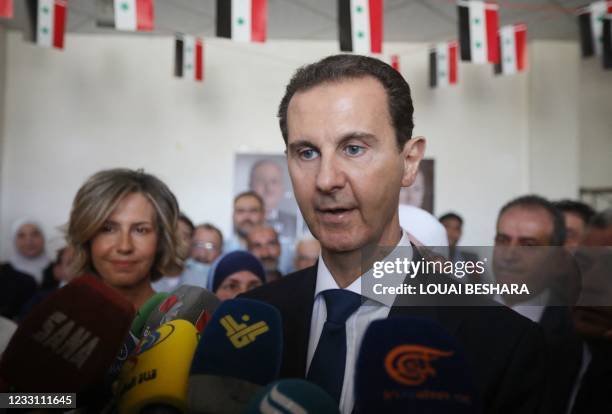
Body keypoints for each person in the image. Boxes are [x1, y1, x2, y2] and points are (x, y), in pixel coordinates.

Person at [243, 54, 546, 414]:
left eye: (354, 148)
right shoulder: (250, 320)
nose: (326, 180)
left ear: (409, 162)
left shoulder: (502, 342)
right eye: (307, 152)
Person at [494, 195, 582, 414]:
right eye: (503, 240)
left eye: (528, 245)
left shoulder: (574, 333)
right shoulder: (460, 314)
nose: (510, 254)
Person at [66, 168, 183, 311]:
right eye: (108, 229)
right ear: (87, 237)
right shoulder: (58, 319)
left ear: (161, 240)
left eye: (140, 230)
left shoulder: (183, 323)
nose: (124, 246)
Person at [250, 159, 297, 239]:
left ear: (283, 188)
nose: (269, 188)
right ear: (251, 185)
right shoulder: (243, 222)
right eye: (261, 181)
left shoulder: (294, 222)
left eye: (274, 181)